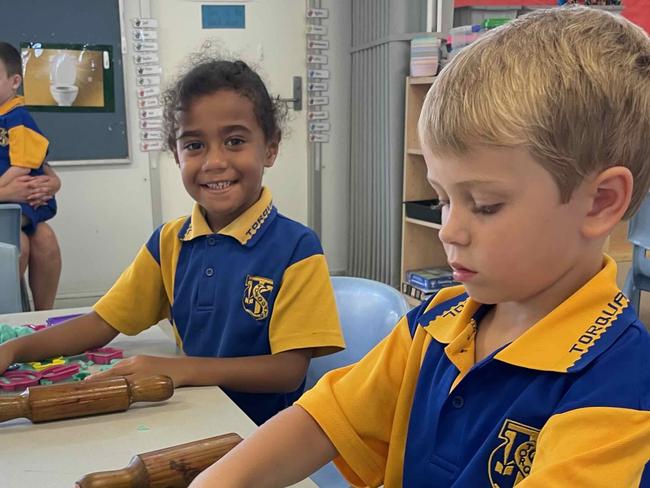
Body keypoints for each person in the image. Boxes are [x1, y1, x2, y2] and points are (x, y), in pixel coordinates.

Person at [190, 7, 650, 487]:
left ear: (599, 202)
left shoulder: (619, 391)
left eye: (486, 204)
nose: (449, 230)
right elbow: (320, 421)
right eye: (444, 198)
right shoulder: (438, 323)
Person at [0, 58, 345, 426]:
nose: (214, 161)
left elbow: (287, 371)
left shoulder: (296, 248)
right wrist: (14, 349)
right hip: (192, 417)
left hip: (265, 435)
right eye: (194, 145)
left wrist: (179, 370)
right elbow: (101, 324)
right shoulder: (169, 242)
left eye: (235, 141)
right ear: (175, 152)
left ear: (270, 148)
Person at [0, 42, 61, 310]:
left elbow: (36, 164)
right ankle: (9, 314)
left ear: (14, 81)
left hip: (12, 208)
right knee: (17, 245)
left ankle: (40, 320)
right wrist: (5, 192)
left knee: (45, 239)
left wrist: (52, 182)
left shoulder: (14, 117)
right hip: (6, 203)